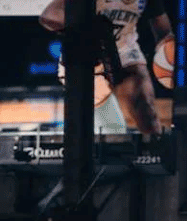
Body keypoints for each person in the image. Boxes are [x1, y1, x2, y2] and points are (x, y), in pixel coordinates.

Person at [40, 0, 174, 139]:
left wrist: (168, 50)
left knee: (146, 111)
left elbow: (163, 31)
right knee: (113, 129)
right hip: (88, 53)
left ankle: (155, 153)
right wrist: (88, 29)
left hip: (125, 51)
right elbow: (49, 16)